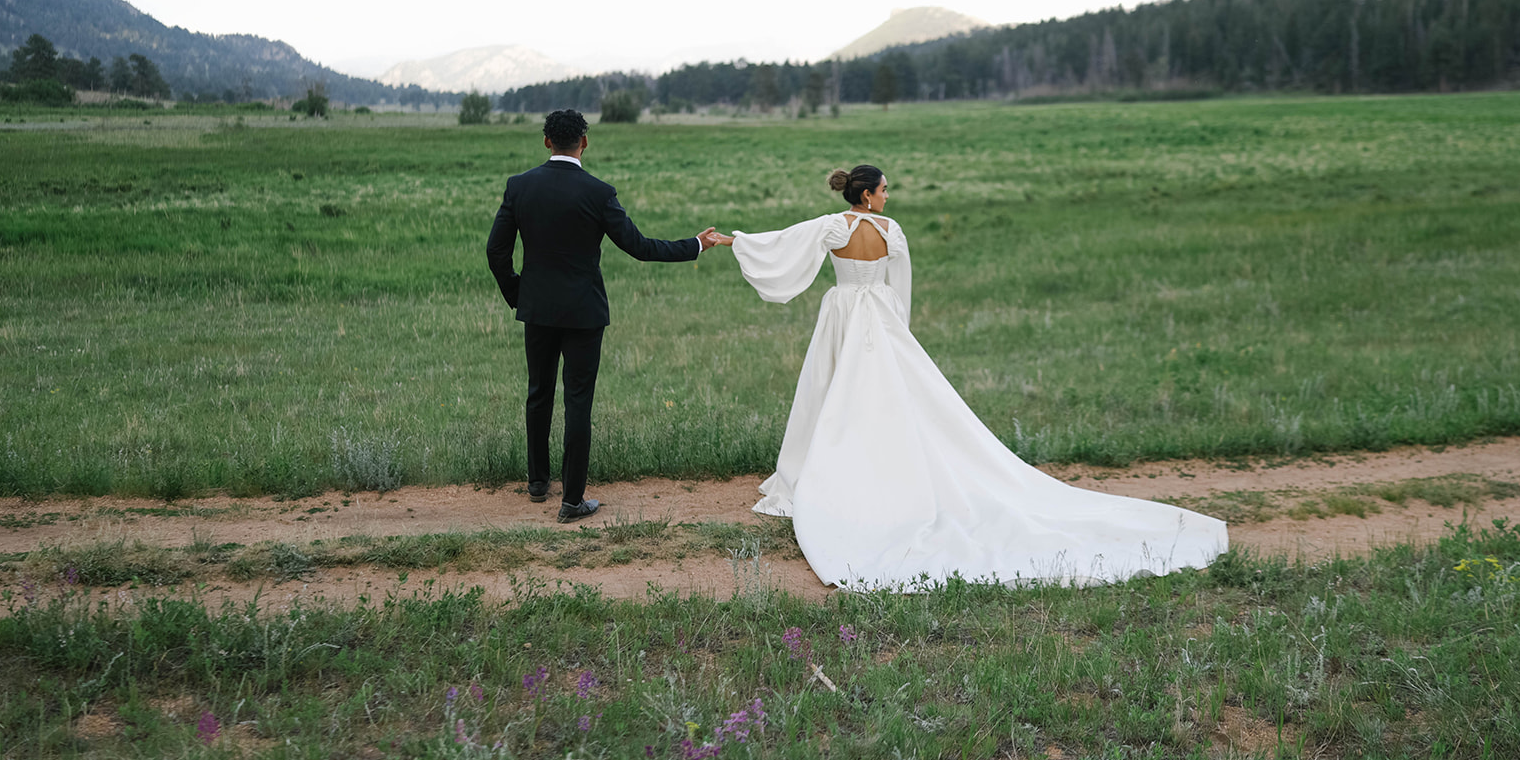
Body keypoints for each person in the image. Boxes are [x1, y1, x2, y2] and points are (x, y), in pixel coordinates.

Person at [720, 164, 1228, 590]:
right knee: (894, 395)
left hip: (843, 312)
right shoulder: (891, 230)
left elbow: (784, 243)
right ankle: (885, 465)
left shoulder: (833, 228)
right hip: (881, 314)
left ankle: (824, 469)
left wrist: (736, 239)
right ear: (870, 196)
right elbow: (903, 281)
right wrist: (900, 323)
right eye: (885, 189)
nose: (888, 195)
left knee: (831, 391)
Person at [486, 108, 728, 523]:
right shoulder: (598, 192)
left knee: (538, 393)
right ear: (584, 142)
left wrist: (520, 295)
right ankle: (572, 500)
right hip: (584, 313)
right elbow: (639, 246)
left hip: (537, 311)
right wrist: (696, 245)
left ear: (546, 142)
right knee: (578, 402)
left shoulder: (519, 186)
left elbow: (496, 252)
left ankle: (537, 482)